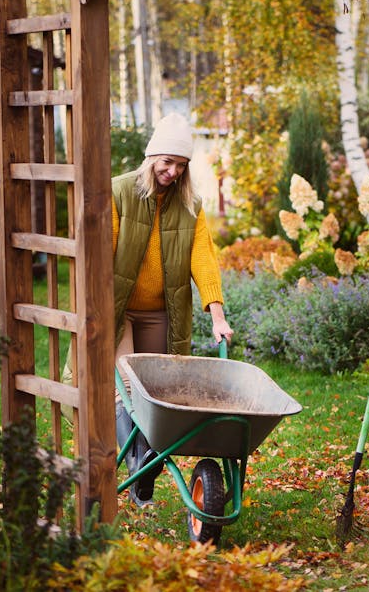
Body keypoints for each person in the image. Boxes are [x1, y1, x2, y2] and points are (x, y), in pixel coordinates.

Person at [113, 112, 233, 505]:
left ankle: (143, 465)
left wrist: (217, 314)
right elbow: (99, 253)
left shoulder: (189, 204)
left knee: (155, 390)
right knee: (127, 385)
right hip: (118, 309)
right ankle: (139, 466)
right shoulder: (119, 193)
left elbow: (203, 258)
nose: (173, 172)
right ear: (151, 158)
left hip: (160, 310)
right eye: (167, 162)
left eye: (181, 165)